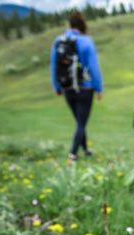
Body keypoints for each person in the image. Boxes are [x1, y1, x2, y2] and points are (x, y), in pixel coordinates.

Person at [50, 11, 103, 161]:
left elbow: (54, 66)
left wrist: (56, 86)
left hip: (67, 88)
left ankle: (85, 150)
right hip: (85, 88)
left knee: (79, 121)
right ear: (82, 25)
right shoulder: (86, 41)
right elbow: (94, 67)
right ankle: (72, 154)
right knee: (81, 122)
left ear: (70, 24)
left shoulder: (58, 41)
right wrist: (99, 88)